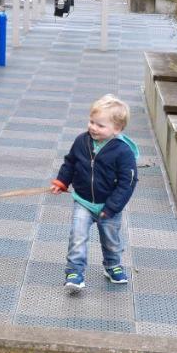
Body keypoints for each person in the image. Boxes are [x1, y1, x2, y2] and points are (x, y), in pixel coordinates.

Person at [49, 94, 139, 293]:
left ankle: (113, 265)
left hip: (109, 205)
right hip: (83, 201)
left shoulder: (123, 152)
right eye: (91, 122)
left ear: (117, 129)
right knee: (77, 236)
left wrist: (113, 207)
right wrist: (62, 181)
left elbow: (128, 183)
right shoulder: (82, 141)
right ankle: (74, 271)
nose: (93, 128)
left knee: (111, 239)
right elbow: (71, 162)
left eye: (100, 125)